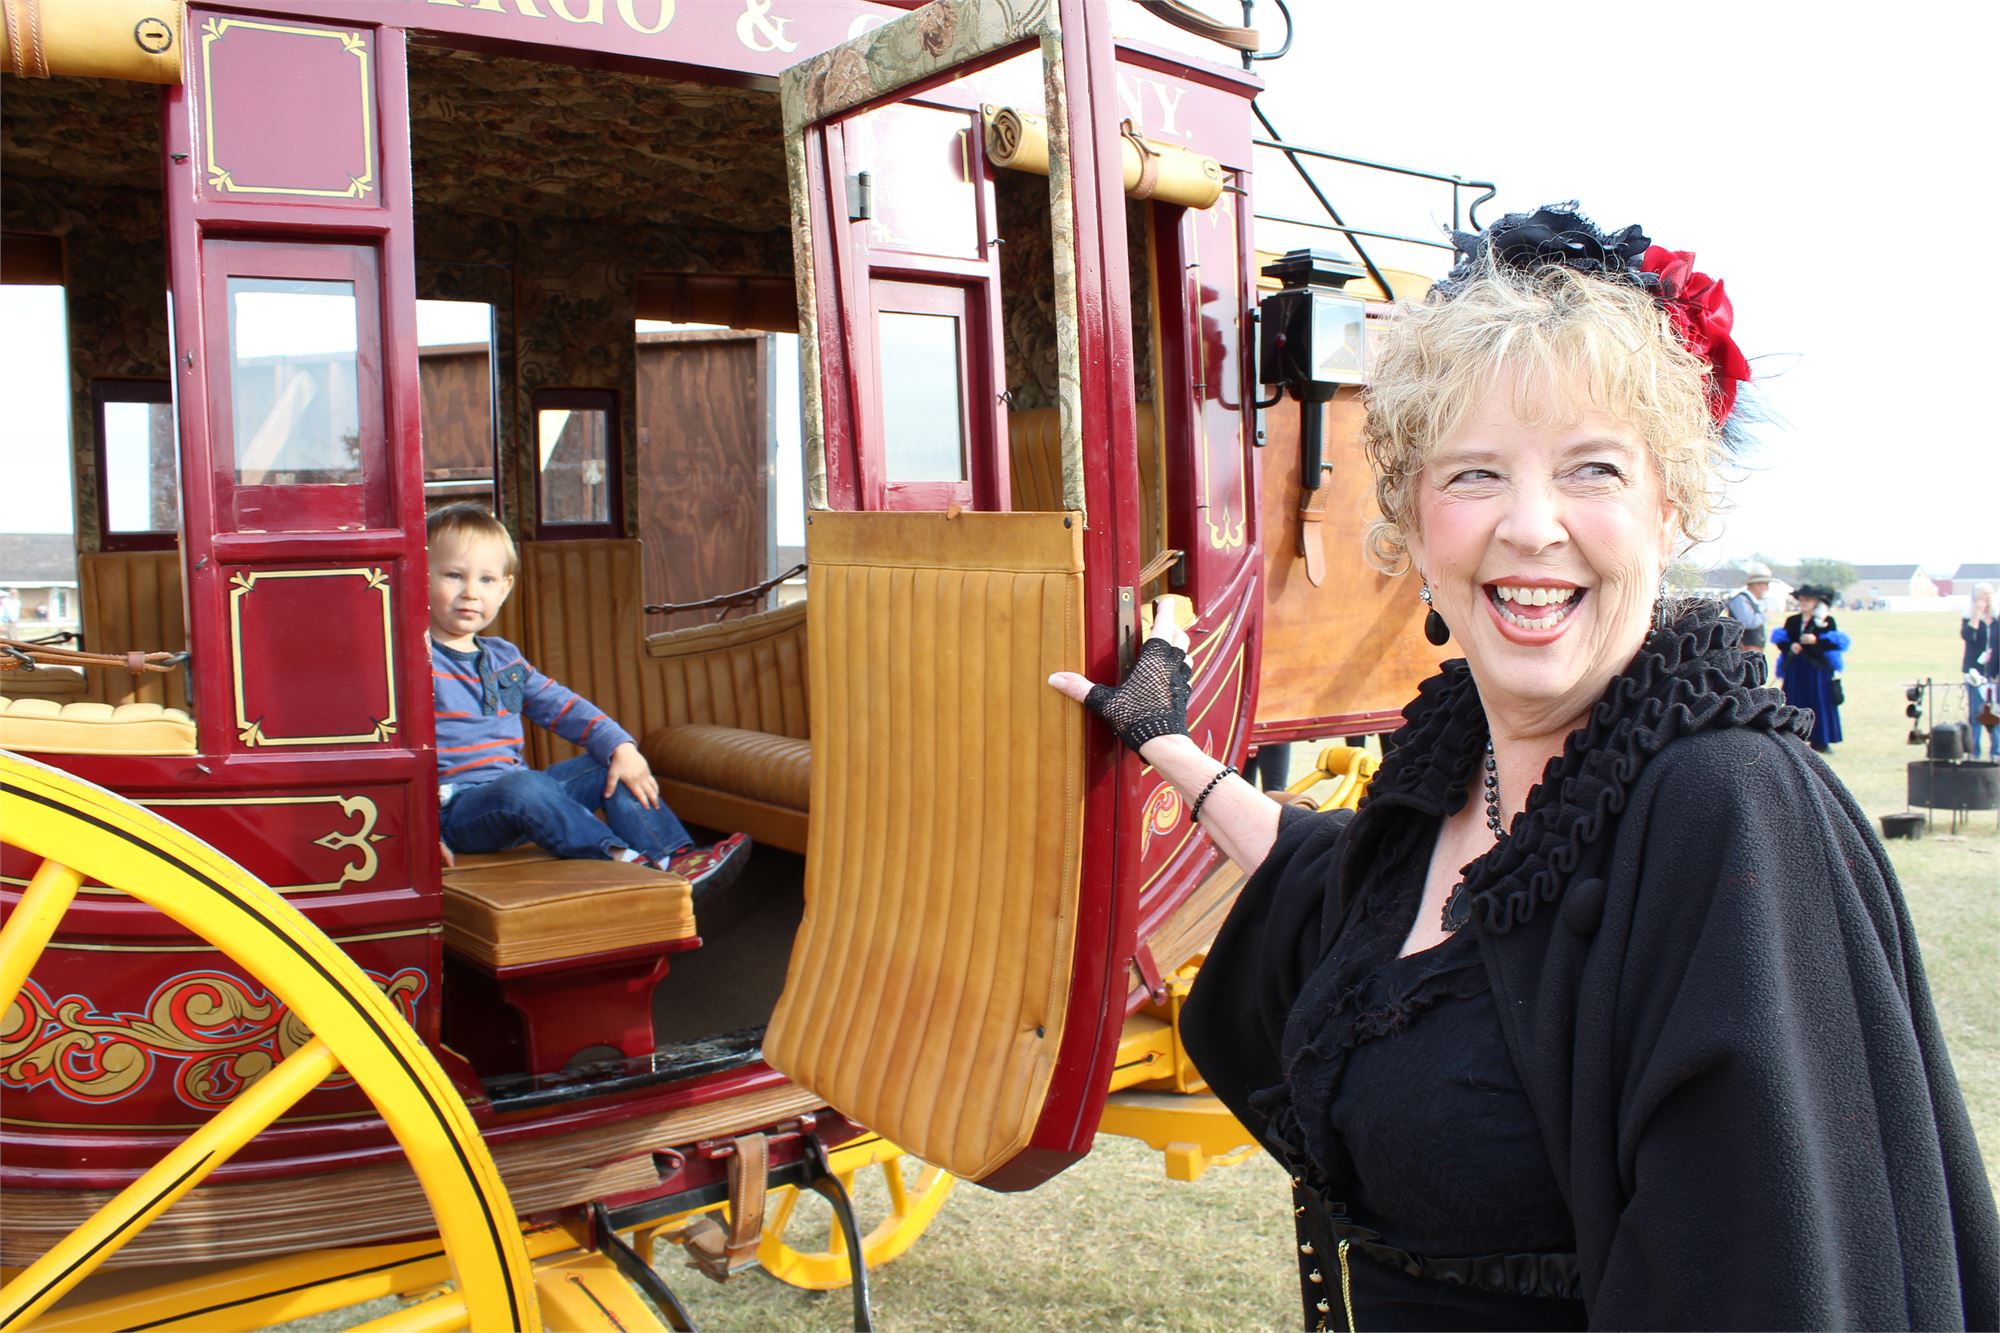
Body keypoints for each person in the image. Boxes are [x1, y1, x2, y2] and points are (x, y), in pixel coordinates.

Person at [1050, 204, 1996, 1329]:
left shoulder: (1723, 810)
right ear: (1408, 518)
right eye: (1474, 475)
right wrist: (1165, 741)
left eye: (1590, 470)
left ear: (1669, 506)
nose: (1530, 524)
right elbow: (1337, 891)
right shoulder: (1448, 781)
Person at [426, 503, 750, 890]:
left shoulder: (504, 659)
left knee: (607, 764)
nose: (470, 593)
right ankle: (620, 859)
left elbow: (565, 707)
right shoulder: (415, 661)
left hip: (525, 802)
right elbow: (401, 759)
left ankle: (675, 859)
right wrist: (425, 834)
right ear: (420, 577)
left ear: (506, 587)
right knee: (526, 785)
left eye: (486, 580)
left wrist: (621, 747)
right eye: (453, 576)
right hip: (459, 812)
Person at [1772, 582, 1849, 752]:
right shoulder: (1792, 621)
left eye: (1808, 600)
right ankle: (1793, 738)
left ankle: (1821, 740)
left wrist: (1816, 640)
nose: (1804, 603)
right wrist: (1790, 646)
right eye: (1802, 600)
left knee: (1819, 702)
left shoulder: (1827, 621)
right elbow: (1782, 642)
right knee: (1795, 700)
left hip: (1818, 669)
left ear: (1816, 602)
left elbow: (1833, 644)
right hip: (1796, 668)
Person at [1965, 582, 1998, 758]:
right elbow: (1968, 637)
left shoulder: (1997, 621)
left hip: (1993, 674)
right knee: (1976, 714)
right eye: (1983, 596)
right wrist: (1977, 615)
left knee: (1995, 714)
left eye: (1989, 595)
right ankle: (1974, 751)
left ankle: (1996, 751)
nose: (1987, 599)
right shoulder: (1969, 619)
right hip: (1974, 674)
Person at [1725, 559, 1772, 654]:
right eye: (1766, 584)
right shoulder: (1740, 599)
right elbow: (1748, 622)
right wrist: (1764, 615)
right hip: (1745, 649)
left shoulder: (1748, 600)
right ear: (1758, 585)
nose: (1767, 588)